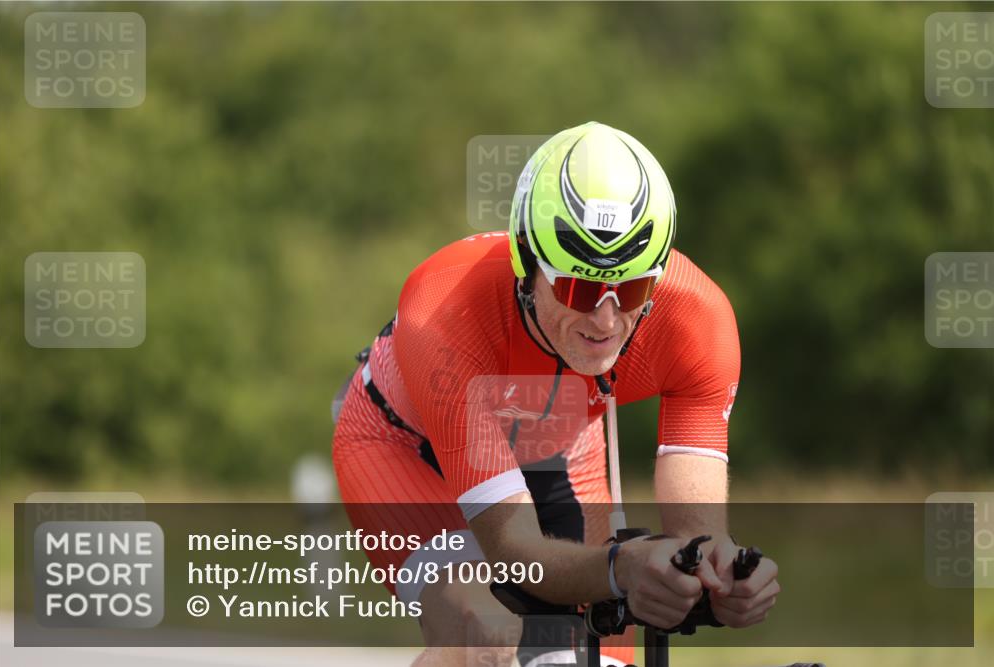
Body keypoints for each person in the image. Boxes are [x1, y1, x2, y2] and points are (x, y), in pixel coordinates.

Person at [332, 121, 779, 666]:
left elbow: (697, 537)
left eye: (632, 288)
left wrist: (720, 577)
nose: (605, 320)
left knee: (593, 656)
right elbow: (515, 549)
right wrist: (621, 566)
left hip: (559, 449)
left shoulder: (696, 320)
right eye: (578, 287)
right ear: (526, 264)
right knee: (483, 632)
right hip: (404, 449)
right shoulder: (447, 315)